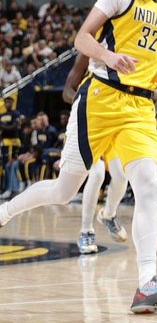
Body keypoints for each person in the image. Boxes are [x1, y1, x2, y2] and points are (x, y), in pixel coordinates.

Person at [0, 0, 157, 314]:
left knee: (148, 185)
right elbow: (81, 38)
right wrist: (108, 55)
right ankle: (4, 213)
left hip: (140, 106)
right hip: (100, 98)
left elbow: (147, 54)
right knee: (63, 191)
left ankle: (146, 284)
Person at [62, 52, 128, 253]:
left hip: (112, 123)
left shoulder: (122, 47)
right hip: (90, 122)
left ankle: (108, 215)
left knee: (121, 175)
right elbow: (66, 92)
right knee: (97, 174)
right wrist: (87, 101)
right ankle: (86, 230)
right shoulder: (87, 52)